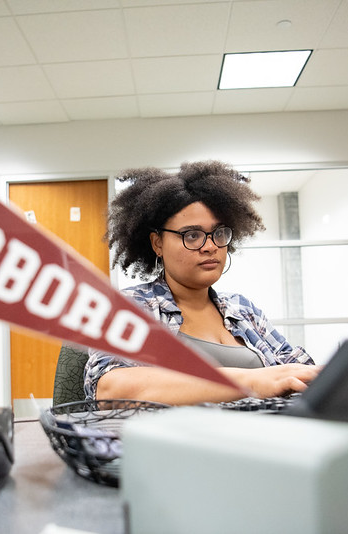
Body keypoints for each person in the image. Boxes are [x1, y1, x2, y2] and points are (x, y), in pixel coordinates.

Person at [83, 160, 320, 405]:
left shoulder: (243, 310)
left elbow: (296, 371)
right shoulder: (130, 306)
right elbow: (110, 388)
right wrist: (251, 382)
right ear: (158, 244)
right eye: (192, 235)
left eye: (218, 234)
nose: (210, 247)